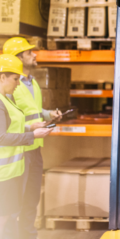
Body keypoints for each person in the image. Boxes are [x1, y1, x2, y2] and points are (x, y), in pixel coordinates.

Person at [3, 37, 62, 239]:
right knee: (14, 205)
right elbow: (9, 122)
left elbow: (32, 111)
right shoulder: (11, 87)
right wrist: (31, 131)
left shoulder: (32, 82)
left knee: (31, 200)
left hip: (34, 146)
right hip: (20, 151)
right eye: (29, 52)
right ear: (18, 58)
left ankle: (29, 236)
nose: (34, 54)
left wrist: (47, 115)